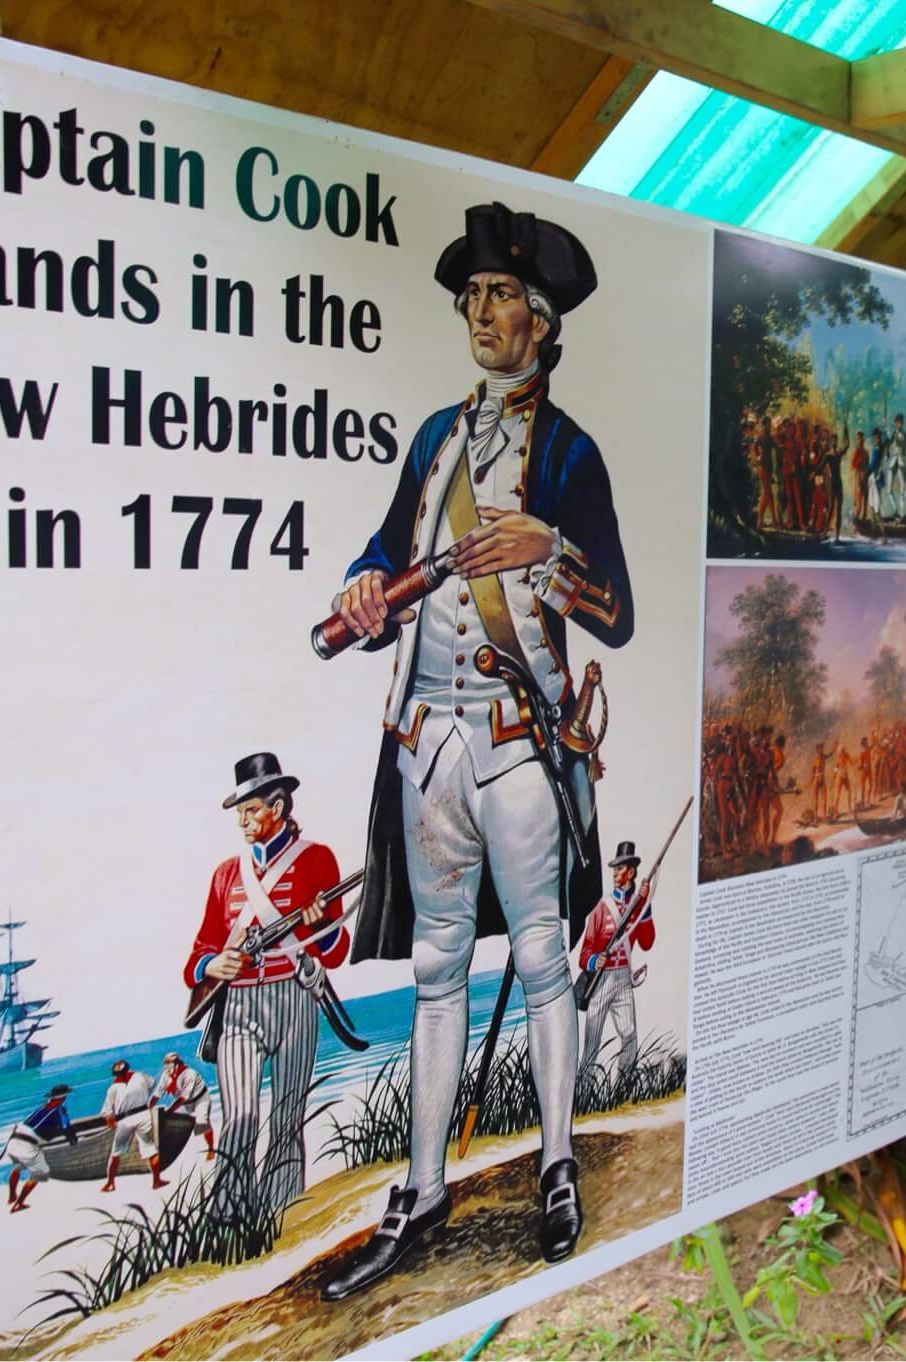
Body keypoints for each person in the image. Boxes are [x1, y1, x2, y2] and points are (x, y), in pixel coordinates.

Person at [324, 201, 633, 1298]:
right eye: (473, 297)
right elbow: (388, 542)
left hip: (514, 735)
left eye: (501, 295)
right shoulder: (434, 438)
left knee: (542, 957)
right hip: (427, 739)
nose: (481, 311)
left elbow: (616, 614)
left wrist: (548, 551)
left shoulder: (568, 451)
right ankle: (421, 1187)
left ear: (542, 322)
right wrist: (364, 585)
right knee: (435, 968)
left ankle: (554, 1162)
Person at [183, 752, 347, 1210]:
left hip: (294, 999)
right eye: (240, 812)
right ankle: (229, 1217)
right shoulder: (226, 876)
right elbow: (197, 956)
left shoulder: (317, 860)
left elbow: (336, 951)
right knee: (239, 1115)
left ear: (278, 808)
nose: (243, 821)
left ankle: (282, 1216)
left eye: (251, 810)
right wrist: (212, 966)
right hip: (237, 1008)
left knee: (288, 1115)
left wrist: (316, 927)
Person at [577, 841, 656, 1092]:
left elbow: (647, 942)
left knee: (629, 1035)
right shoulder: (602, 908)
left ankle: (622, 1090)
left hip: (623, 980)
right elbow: (585, 953)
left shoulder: (638, 907)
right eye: (614, 869)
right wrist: (594, 961)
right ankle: (585, 1095)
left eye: (619, 868)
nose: (614, 873)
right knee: (592, 1042)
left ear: (630, 872)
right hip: (601, 980)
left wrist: (643, 907)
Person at [4, 1083, 74, 1214]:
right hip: (27, 1142)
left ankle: (12, 1196)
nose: (65, 1099)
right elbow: (67, 1129)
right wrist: (73, 1142)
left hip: (14, 1139)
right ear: (62, 1098)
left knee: (18, 1167)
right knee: (41, 1173)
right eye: (65, 1097)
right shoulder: (59, 1110)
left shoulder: (40, 1108)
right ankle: (18, 1204)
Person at [99, 1059, 161, 1193]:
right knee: (150, 1148)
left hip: (125, 1119)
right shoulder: (139, 1076)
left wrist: (111, 1123)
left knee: (116, 1153)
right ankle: (156, 1181)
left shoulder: (113, 1088)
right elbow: (152, 1083)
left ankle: (110, 1183)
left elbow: (108, 1112)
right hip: (143, 1115)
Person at [159, 1052, 216, 1162]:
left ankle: (211, 1149)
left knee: (202, 1123)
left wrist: (170, 1110)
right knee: (168, 1122)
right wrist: (150, 1106)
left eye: (169, 1063)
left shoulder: (189, 1074)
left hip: (200, 1098)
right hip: (185, 1103)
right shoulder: (165, 1076)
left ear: (177, 1064)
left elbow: (183, 1098)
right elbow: (158, 1094)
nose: (166, 1066)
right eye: (165, 1063)